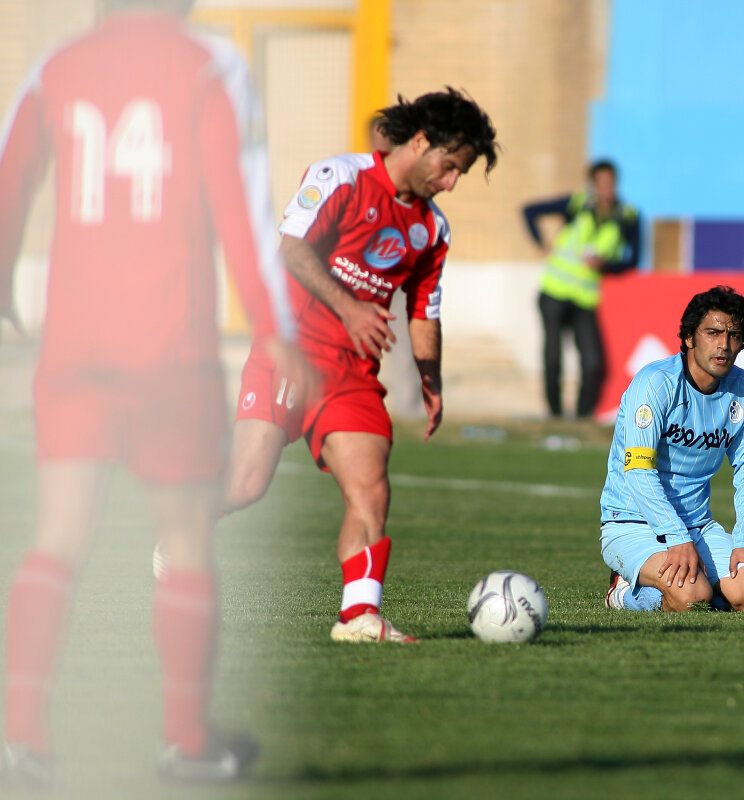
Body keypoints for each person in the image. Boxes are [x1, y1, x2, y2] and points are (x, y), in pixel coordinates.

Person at [0, 0, 300, 784]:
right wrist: (276, 330)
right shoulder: (209, 65)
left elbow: (8, 181)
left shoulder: (57, 67)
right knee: (187, 539)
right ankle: (186, 741)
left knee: (57, 536)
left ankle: (19, 736)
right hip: (171, 350)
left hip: (74, 348)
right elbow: (242, 207)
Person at [223, 88, 499, 644]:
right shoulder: (340, 177)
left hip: (351, 371)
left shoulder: (432, 229)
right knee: (247, 484)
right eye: (449, 167)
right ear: (420, 142)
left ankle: (359, 616)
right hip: (290, 349)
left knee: (370, 488)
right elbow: (292, 250)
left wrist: (430, 378)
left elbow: (423, 308)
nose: (450, 183)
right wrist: (350, 308)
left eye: (459, 175)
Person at [601, 286, 744, 613]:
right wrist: (676, 537)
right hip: (632, 523)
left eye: (734, 335)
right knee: (692, 597)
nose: (724, 345)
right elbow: (639, 471)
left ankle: (708, 588)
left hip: (697, 526)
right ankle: (623, 592)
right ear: (689, 338)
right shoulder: (655, 383)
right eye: (713, 333)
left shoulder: (743, 389)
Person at [523, 160, 641, 419]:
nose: (605, 189)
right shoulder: (577, 204)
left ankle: (582, 418)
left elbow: (633, 259)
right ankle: (555, 415)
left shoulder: (626, 216)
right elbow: (529, 210)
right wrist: (541, 242)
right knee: (553, 358)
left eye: (609, 184)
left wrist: (606, 266)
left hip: (586, 298)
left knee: (592, 362)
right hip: (554, 291)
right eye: (600, 184)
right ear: (592, 184)